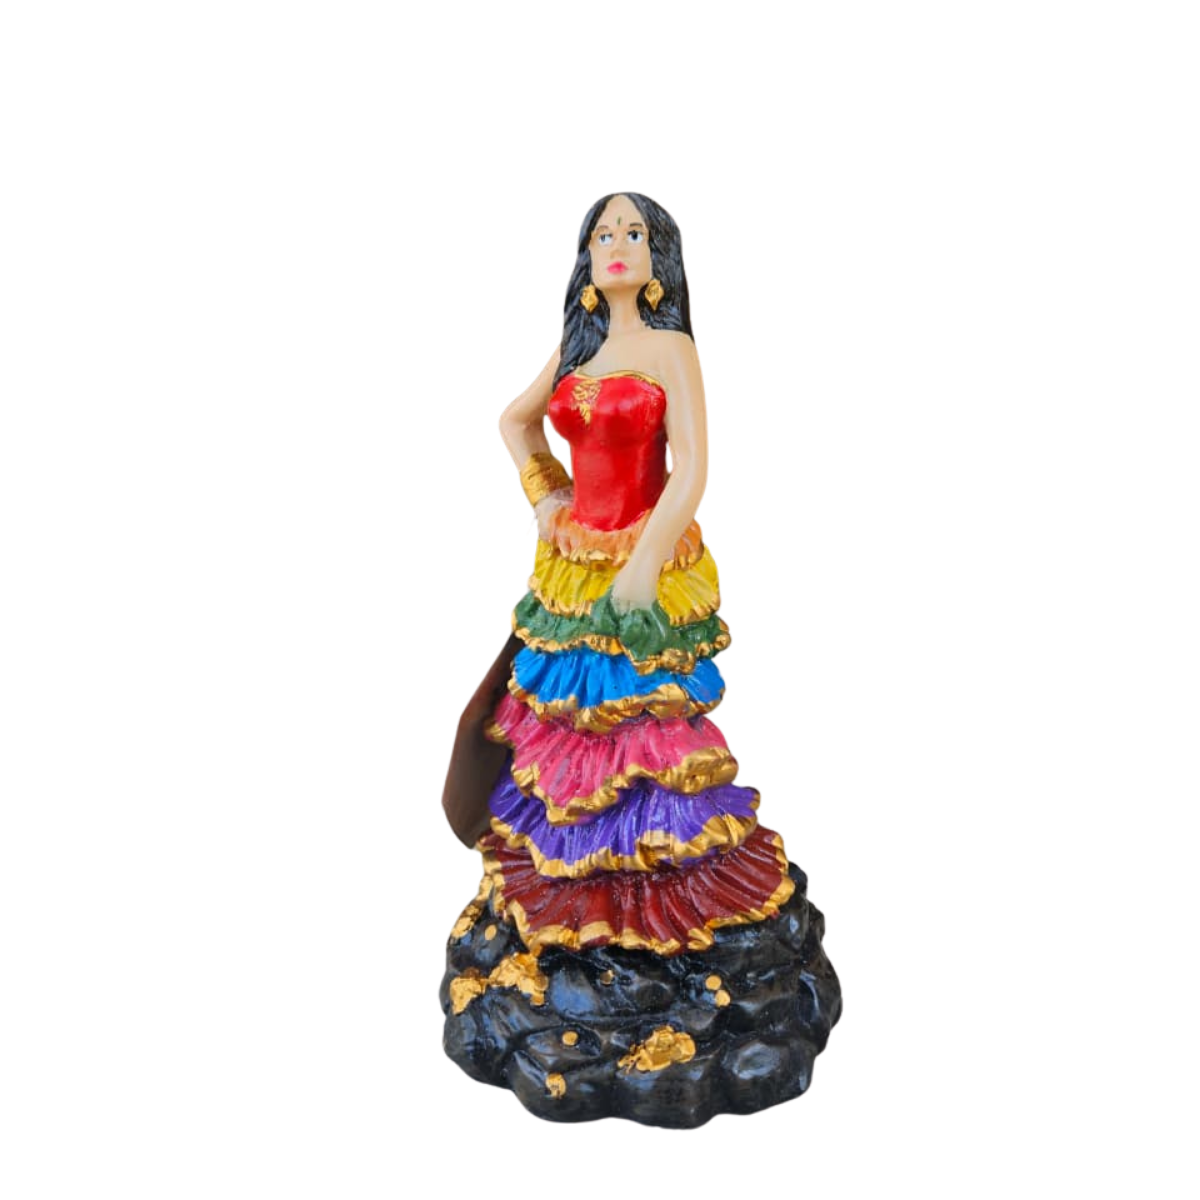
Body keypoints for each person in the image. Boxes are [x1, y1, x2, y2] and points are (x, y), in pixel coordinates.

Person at [446, 192, 795, 956]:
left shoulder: (671, 348)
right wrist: (547, 496)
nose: (615, 245)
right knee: (567, 725)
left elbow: (692, 468)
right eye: (602, 234)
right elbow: (515, 421)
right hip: (573, 570)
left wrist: (642, 565)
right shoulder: (578, 346)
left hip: (642, 560)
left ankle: (648, 895)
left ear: (656, 255)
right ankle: (577, 884)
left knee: (640, 733)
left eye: (632, 232)